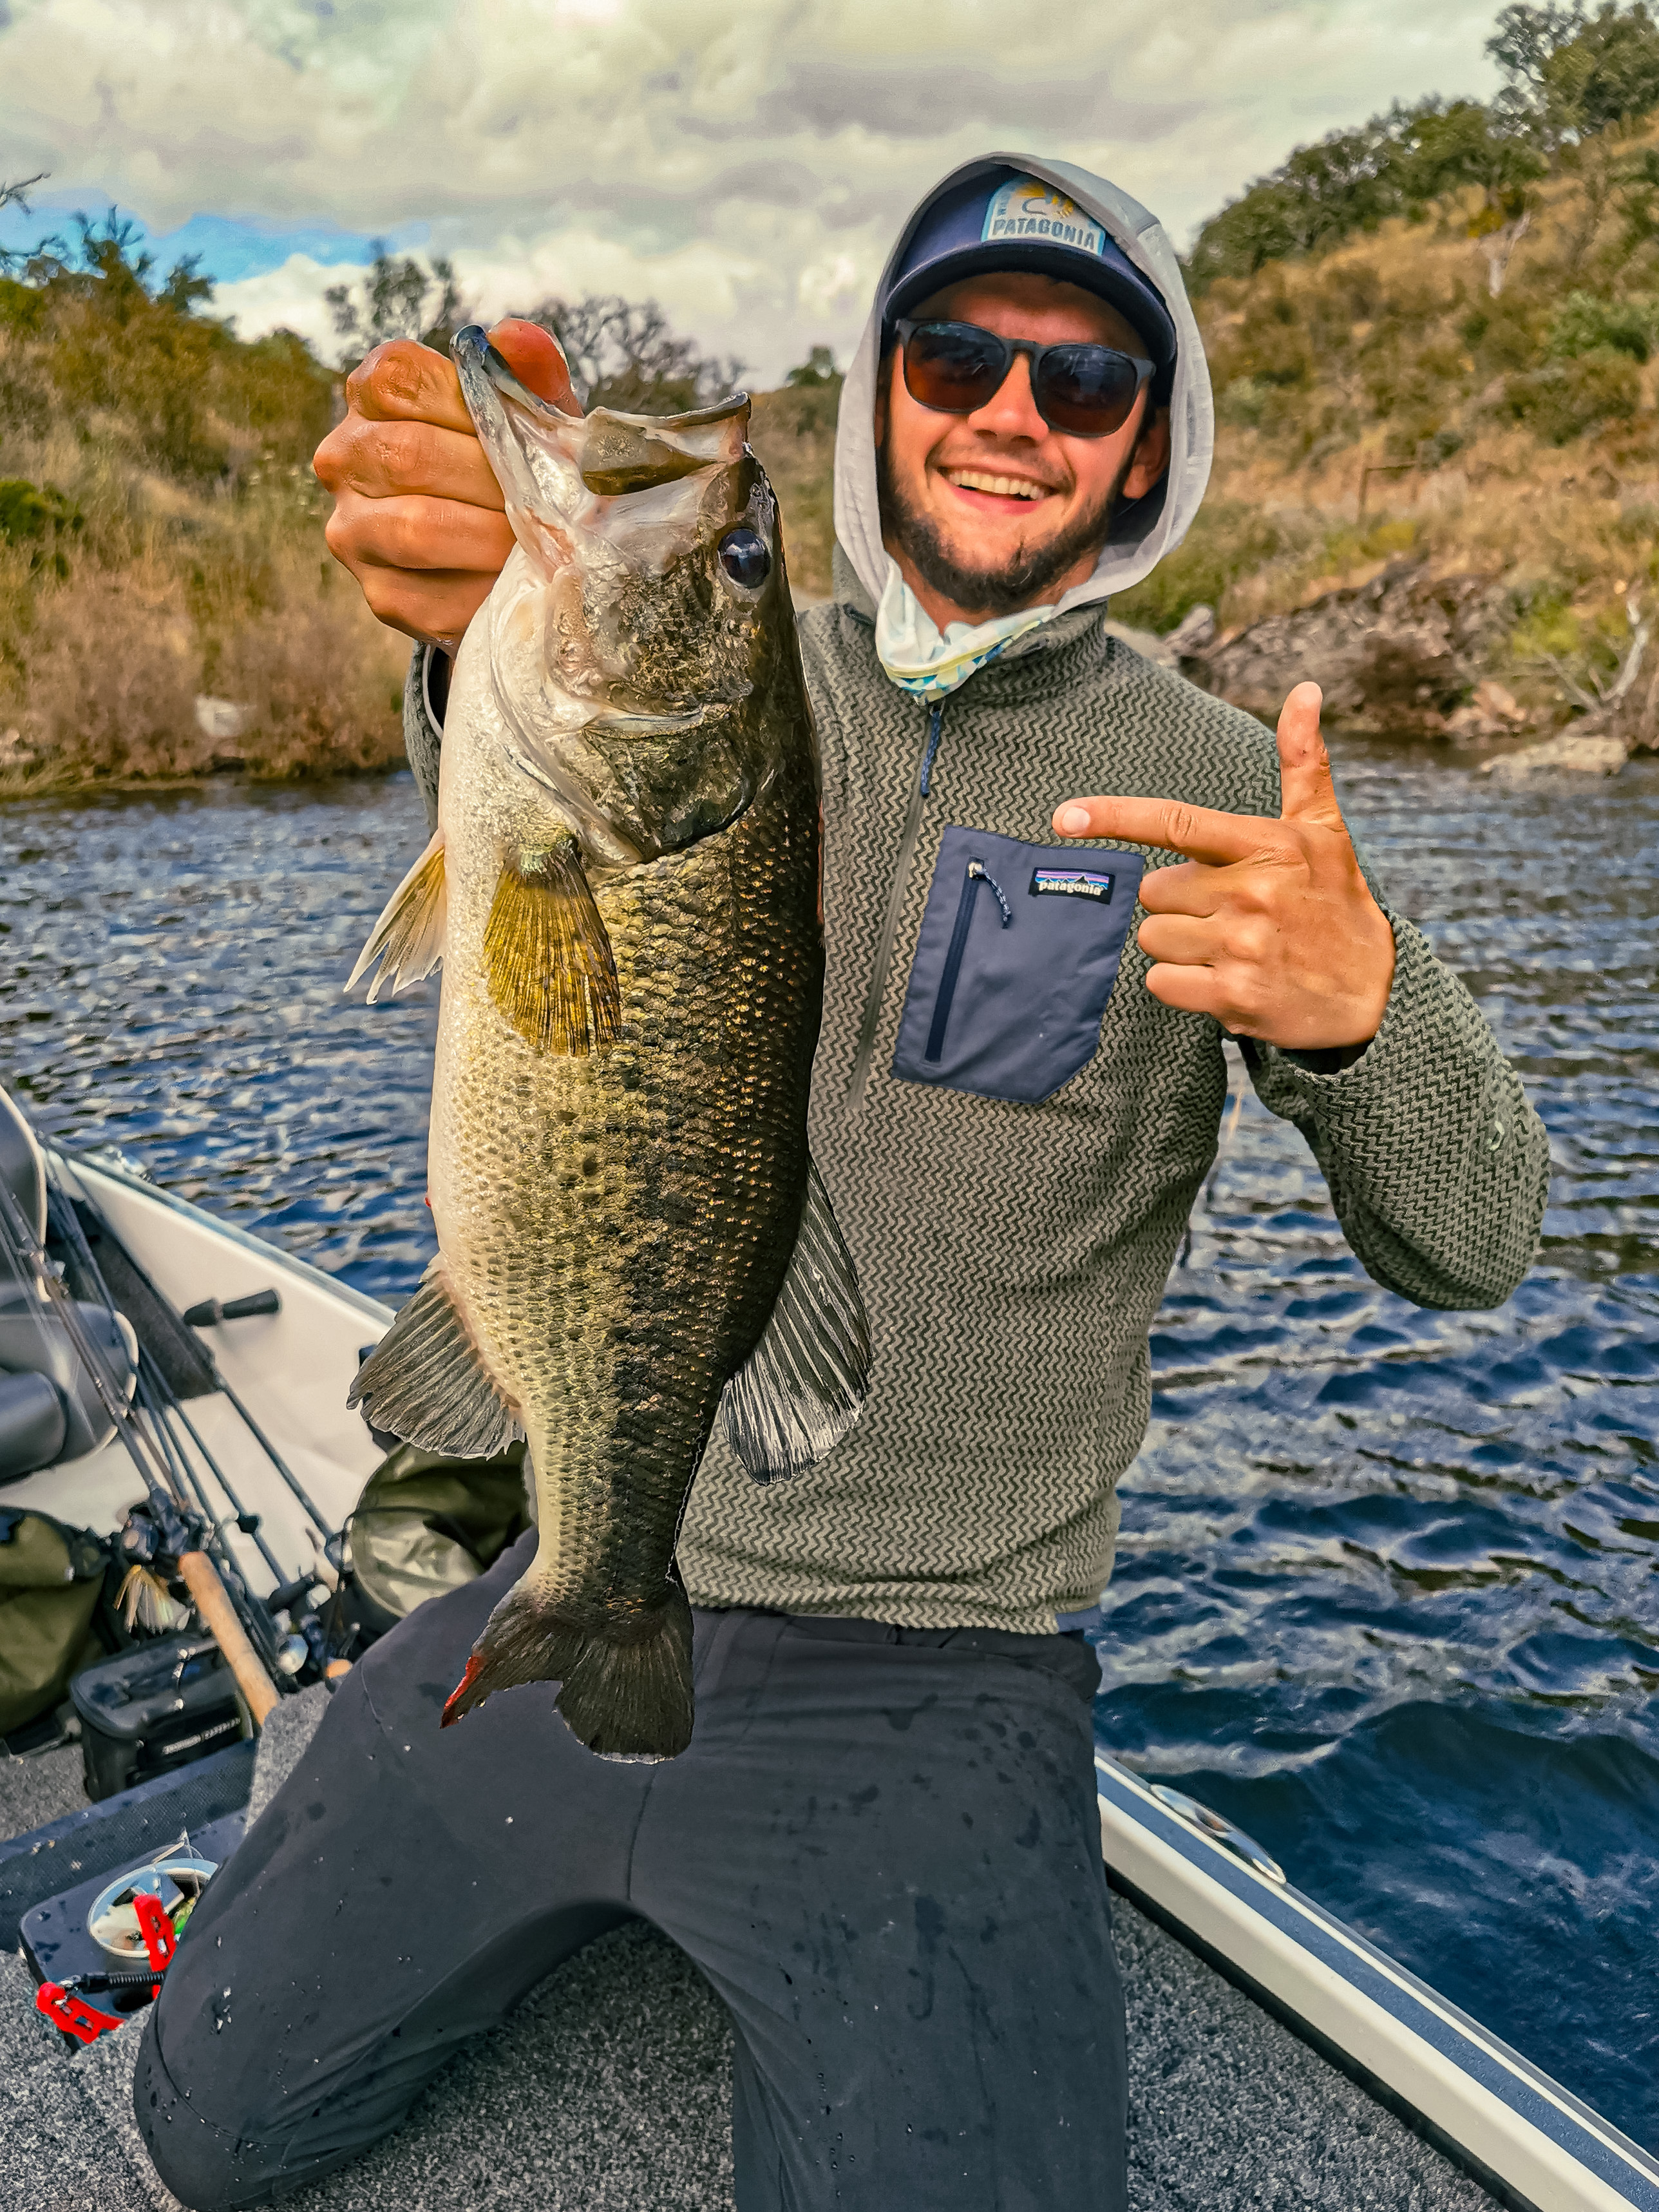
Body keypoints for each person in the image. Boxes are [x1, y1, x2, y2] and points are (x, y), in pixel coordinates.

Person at [135, 158, 1549, 2211]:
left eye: (1084, 381)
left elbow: (1482, 1237)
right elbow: (550, 777)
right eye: (961, 351)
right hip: (601, 1538)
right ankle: (550, 1633)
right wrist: (462, 629)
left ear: (1151, 441)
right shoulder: (732, 652)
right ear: (884, 381)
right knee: (210, 2118)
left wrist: (1364, 1010)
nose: (1011, 411)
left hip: (942, 1667)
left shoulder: (1228, 783)